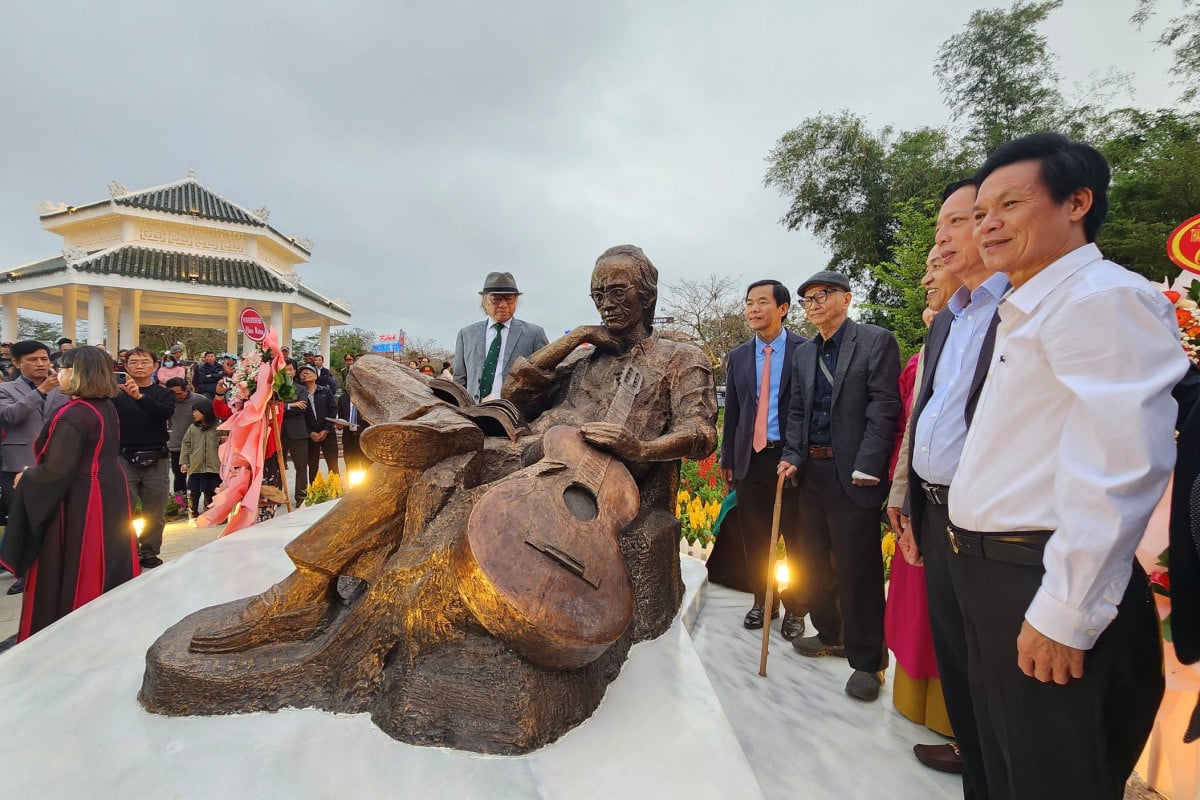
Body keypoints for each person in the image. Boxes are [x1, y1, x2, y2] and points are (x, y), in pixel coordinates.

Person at [190, 244, 716, 655]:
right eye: (597, 292)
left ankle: (305, 591)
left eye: (618, 290)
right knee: (367, 368)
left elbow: (700, 434)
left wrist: (641, 445)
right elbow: (514, 394)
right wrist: (573, 340)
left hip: (574, 468)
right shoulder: (587, 352)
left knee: (424, 467)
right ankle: (441, 427)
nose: (606, 302)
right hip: (517, 438)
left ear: (647, 294)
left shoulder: (680, 357)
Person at [948, 133, 1187, 799]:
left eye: (1011, 204)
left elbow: (1122, 464)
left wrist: (1067, 610)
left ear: (1077, 202)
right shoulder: (1029, 307)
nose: (988, 224)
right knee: (1002, 768)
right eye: (980, 210)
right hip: (995, 574)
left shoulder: (1101, 299)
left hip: (1042, 579)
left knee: (1049, 776)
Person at [778, 270, 901, 702]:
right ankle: (831, 633)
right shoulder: (804, 353)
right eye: (807, 298)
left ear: (846, 299)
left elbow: (884, 408)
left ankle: (869, 662)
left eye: (821, 295)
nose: (812, 304)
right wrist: (792, 456)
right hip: (812, 474)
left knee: (859, 571)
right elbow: (796, 411)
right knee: (811, 564)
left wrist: (869, 465)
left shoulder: (874, 341)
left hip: (854, 475)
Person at [885, 234, 978, 779]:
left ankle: (967, 732)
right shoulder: (936, 339)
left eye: (938, 263)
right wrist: (901, 495)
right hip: (922, 495)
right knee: (925, 609)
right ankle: (932, 712)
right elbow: (915, 427)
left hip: (976, 513)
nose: (928, 278)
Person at [0, 346, 139, 641]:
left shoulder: (75, 412)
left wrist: (27, 477)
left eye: (62, 367)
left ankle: (68, 632)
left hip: (80, 500)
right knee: (105, 557)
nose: (57, 372)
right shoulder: (104, 407)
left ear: (78, 373)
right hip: (107, 490)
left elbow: (56, 470)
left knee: (77, 563)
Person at [719, 279, 808, 640]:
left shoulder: (804, 350)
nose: (753, 309)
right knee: (755, 539)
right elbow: (735, 413)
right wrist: (728, 456)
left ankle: (797, 607)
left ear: (783, 308)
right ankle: (763, 600)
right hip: (751, 460)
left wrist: (799, 454)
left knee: (797, 537)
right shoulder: (739, 356)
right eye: (749, 303)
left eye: (762, 302)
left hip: (792, 460)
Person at [0, 340, 68, 594]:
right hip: (19, 462)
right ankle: (24, 573)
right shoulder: (6, 389)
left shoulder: (61, 388)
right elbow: (9, 417)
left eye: (43, 359)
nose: (41, 364)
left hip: (54, 463)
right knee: (23, 519)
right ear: (17, 363)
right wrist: (39, 392)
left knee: (52, 519)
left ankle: (53, 569)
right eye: (33, 360)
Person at [114, 347, 176, 569]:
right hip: (123, 458)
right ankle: (125, 551)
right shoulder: (115, 394)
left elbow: (163, 413)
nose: (139, 366)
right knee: (122, 510)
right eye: (134, 362)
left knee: (155, 512)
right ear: (125, 366)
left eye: (144, 362)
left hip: (157, 458)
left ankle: (149, 551)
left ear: (154, 366)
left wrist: (139, 397)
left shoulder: (164, 393)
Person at [453, 272, 549, 402]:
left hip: (516, 414)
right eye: (496, 298)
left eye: (509, 299)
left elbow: (544, 378)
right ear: (484, 300)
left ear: (516, 300)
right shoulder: (466, 334)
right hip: (474, 413)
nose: (503, 305)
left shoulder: (534, 334)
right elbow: (459, 380)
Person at [278, 360, 314, 506]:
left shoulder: (301, 389)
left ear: (294, 372)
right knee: (277, 465)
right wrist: (289, 406)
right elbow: (273, 408)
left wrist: (283, 408)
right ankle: (277, 496)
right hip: (279, 430)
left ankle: (301, 497)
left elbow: (302, 407)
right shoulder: (276, 389)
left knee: (301, 466)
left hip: (298, 432)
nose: (288, 372)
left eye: (290, 370)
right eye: (285, 370)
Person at [179, 396, 222, 518]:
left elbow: (225, 444)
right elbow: (186, 444)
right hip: (196, 466)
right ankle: (193, 514)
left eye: (196, 411)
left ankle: (209, 513)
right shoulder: (193, 428)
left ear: (206, 411)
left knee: (211, 490)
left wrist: (223, 440)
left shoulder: (218, 427)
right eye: (193, 411)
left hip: (213, 466)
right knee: (194, 491)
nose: (194, 414)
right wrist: (184, 462)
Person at [297, 363, 338, 482]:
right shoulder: (299, 395)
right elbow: (300, 417)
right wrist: (310, 432)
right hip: (311, 436)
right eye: (302, 374)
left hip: (328, 433)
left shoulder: (325, 391)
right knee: (313, 466)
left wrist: (326, 430)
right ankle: (315, 492)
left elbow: (332, 410)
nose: (304, 375)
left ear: (315, 376)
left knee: (333, 464)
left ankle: (336, 491)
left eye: (307, 372)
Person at [165, 377, 206, 495]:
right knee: (179, 476)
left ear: (186, 390)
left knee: (197, 476)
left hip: (197, 445)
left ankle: (197, 504)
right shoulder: (167, 402)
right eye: (171, 393)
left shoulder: (200, 400)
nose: (175, 396)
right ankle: (180, 504)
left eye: (178, 394)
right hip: (177, 445)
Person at [335, 388, 370, 473]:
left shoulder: (367, 399)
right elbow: (341, 416)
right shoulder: (343, 398)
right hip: (348, 438)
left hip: (364, 436)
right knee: (351, 466)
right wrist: (339, 424)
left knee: (367, 466)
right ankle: (354, 485)